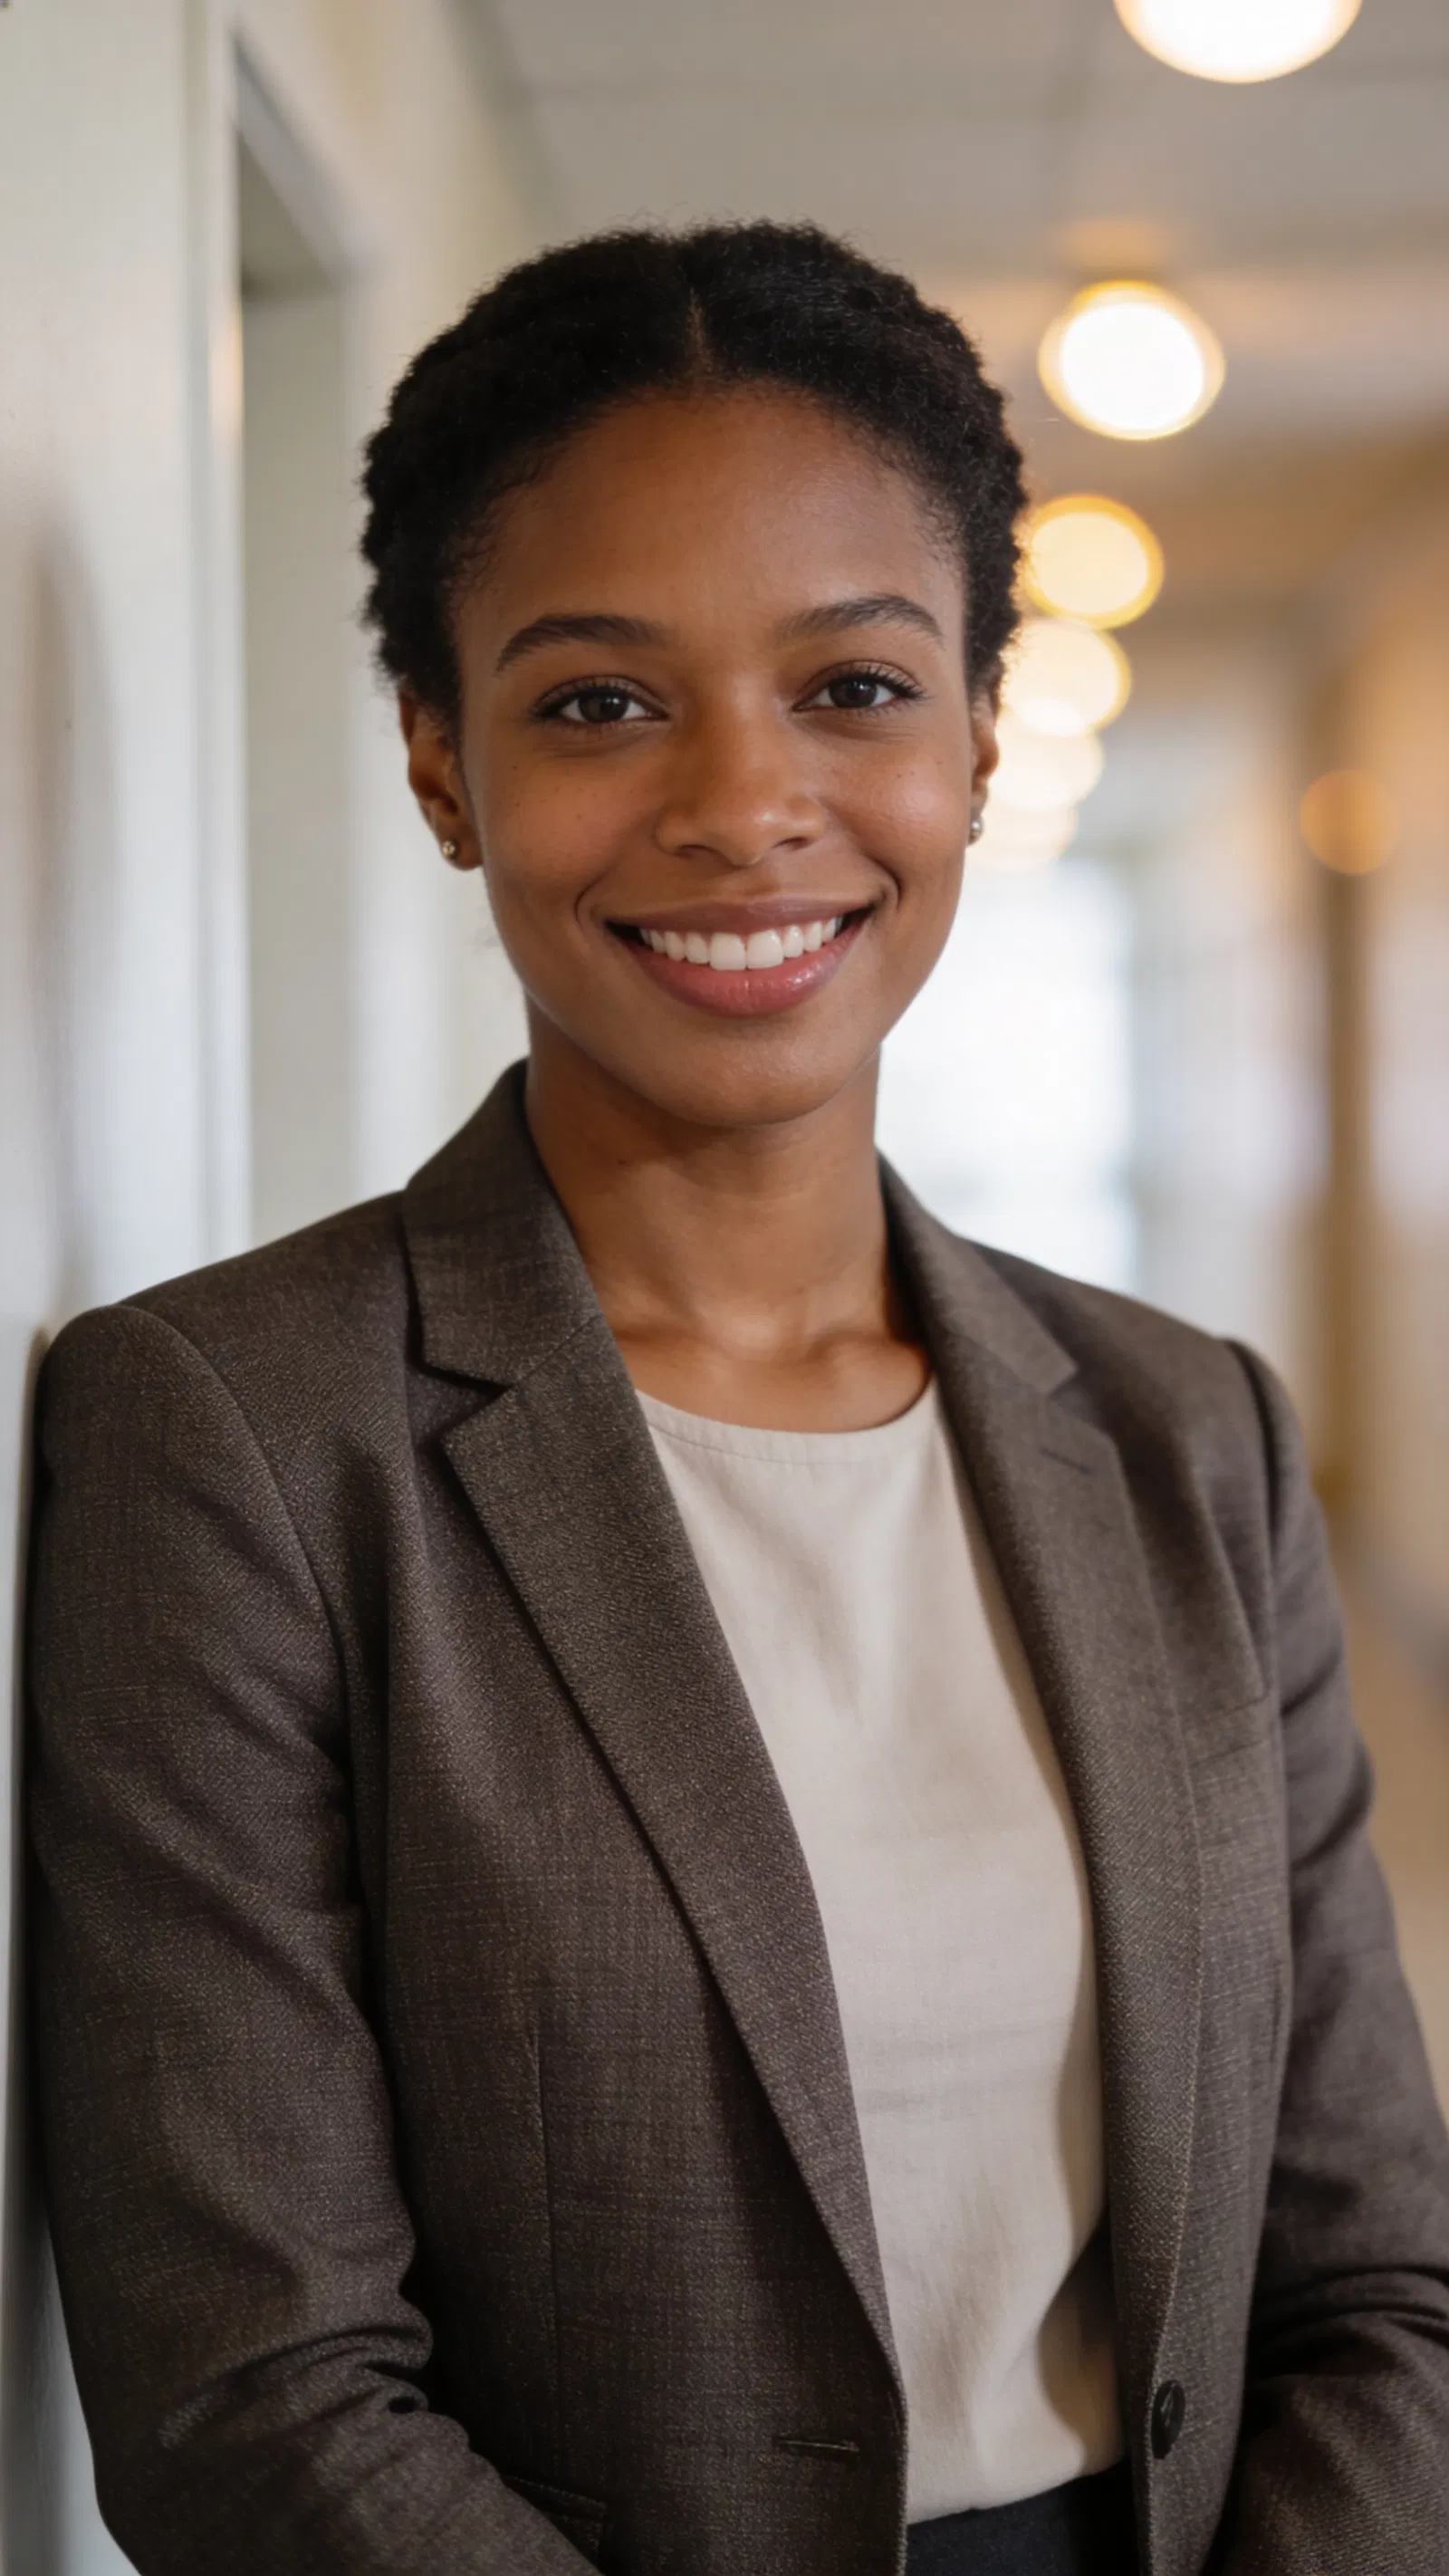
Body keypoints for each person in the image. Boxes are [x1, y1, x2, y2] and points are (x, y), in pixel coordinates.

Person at [27, 222, 1449, 2576]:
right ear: (440, 759)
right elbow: (252, 2394)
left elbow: (1374, 2281)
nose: (741, 804)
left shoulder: (1187, 1430)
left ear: (980, 735)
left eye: (853, 688)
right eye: (598, 701)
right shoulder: (242, 1432)